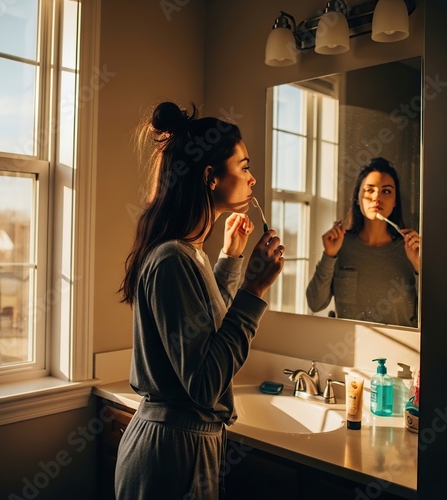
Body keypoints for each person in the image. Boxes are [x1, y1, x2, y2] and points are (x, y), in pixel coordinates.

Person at [116, 101, 284, 499]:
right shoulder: (173, 257)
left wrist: (230, 260)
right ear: (211, 177)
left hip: (184, 445)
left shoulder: (189, 253)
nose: (252, 178)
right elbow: (205, 382)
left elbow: (206, 334)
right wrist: (254, 290)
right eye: (243, 166)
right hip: (169, 454)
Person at [306, 157, 420, 327]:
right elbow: (315, 303)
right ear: (358, 198)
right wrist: (329, 255)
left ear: (395, 201)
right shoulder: (341, 247)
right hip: (348, 351)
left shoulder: (411, 251)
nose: (376, 198)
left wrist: (420, 267)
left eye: (386, 191)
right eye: (369, 190)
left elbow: (432, 316)